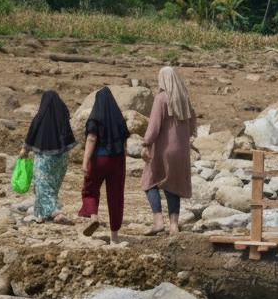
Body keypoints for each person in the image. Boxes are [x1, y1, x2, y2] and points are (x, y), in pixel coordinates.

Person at [141, 68, 197, 236]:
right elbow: (192, 125)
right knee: (173, 185)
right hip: (181, 150)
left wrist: (146, 143)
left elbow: (154, 125)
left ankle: (158, 222)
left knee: (149, 181)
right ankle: (174, 225)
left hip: (163, 149)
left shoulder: (161, 98)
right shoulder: (184, 98)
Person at [79, 87, 129, 244]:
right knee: (116, 197)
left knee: (90, 189)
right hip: (117, 160)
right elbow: (124, 143)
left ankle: (93, 216)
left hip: (99, 159)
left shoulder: (95, 117)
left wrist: (85, 161)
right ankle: (114, 236)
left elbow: (92, 139)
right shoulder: (119, 118)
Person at [20, 90, 76, 224]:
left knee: (42, 185)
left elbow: (32, 133)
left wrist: (25, 150)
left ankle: (56, 211)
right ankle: (41, 214)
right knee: (53, 186)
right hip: (61, 157)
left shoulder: (41, 117)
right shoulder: (63, 115)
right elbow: (68, 136)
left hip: (44, 156)